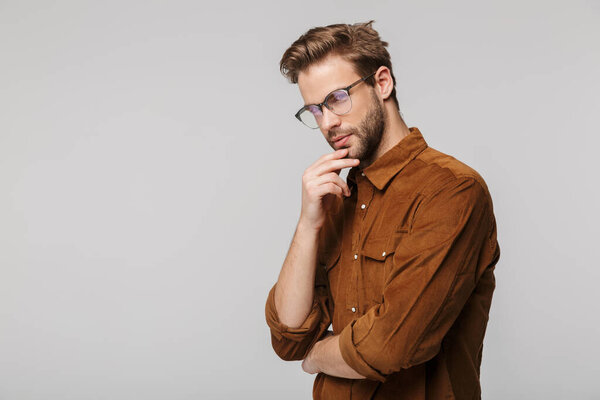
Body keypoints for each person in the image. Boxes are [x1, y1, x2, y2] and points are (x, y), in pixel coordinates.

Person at [264, 20, 501, 400]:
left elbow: (391, 345)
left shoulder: (452, 191)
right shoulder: (334, 198)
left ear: (383, 83)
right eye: (314, 109)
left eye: (337, 98)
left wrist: (315, 356)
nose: (328, 122)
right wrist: (308, 225)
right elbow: (288, 337)